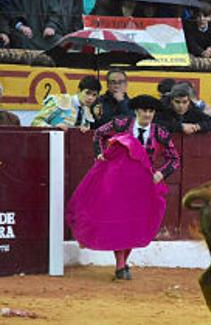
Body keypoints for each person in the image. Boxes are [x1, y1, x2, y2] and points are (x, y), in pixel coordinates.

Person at [67, 95, 180, 281]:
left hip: (143, 184)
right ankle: (121, 264)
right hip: (118, 181)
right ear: (136, 111)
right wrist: (100, 155)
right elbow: (99, 134)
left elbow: (174, 159)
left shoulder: (159, 132)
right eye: (144, 110)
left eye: (151, 111)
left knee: (133, 223)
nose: (148, 114)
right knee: (118, 219)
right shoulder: (121, 123)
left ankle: (123, 263)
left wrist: (160, 174)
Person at [31, 76, 101, 132]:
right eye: (87, 93)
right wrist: (53, 128)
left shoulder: (87, 112)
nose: (90, 98)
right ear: (79, 90)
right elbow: (35, 122)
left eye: (94, 95)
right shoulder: (61, 101)